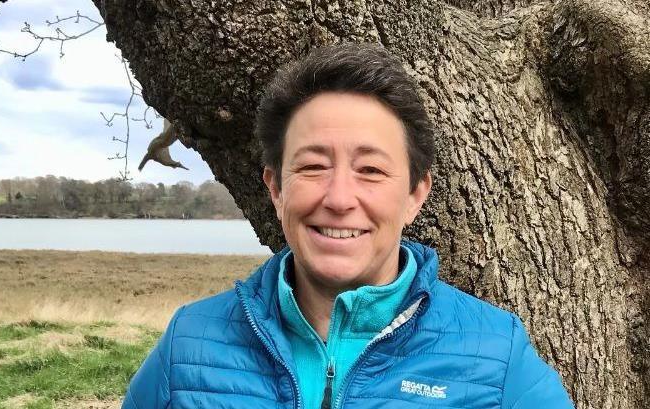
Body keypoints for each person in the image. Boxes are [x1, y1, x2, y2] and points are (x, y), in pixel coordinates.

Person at [122, 43, 574, 409]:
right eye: (314, 166)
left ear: (416, 193)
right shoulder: (188, 347)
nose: (338, 199)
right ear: (276, 188)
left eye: (371, 171)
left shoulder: (496, 356)